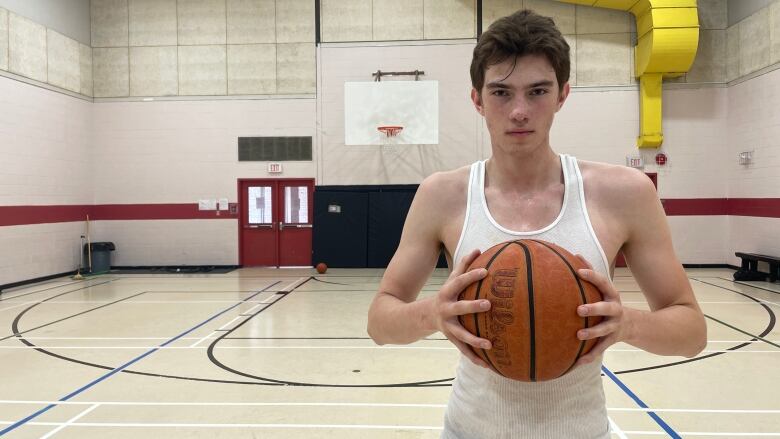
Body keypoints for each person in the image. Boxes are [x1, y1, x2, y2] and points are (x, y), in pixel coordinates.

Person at [366, 9, 707, 439]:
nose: (520, 111)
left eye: (538, 91)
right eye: (502, 93)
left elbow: (692, 332)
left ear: (563, 95)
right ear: (478, 100)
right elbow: (380, 320)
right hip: (468, 430)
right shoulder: (442, 195)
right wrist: (431, 314)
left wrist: (628, 325)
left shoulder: (624, 193)